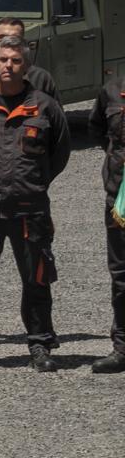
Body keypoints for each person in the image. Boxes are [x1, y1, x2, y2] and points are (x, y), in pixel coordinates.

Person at [0, 35, 71, 373]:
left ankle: (39, 343)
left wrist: (33, 183)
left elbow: (59, 154)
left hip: (29, 209)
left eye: (15, 60)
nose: (8, 65)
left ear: (26, 65)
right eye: (3, 60)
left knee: (36, 278)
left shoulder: (44, 106)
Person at [92, 66, 125, 375]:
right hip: (120, 199)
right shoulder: (112, 91)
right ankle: (122, 347)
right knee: (121, 276)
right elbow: (100, 133)